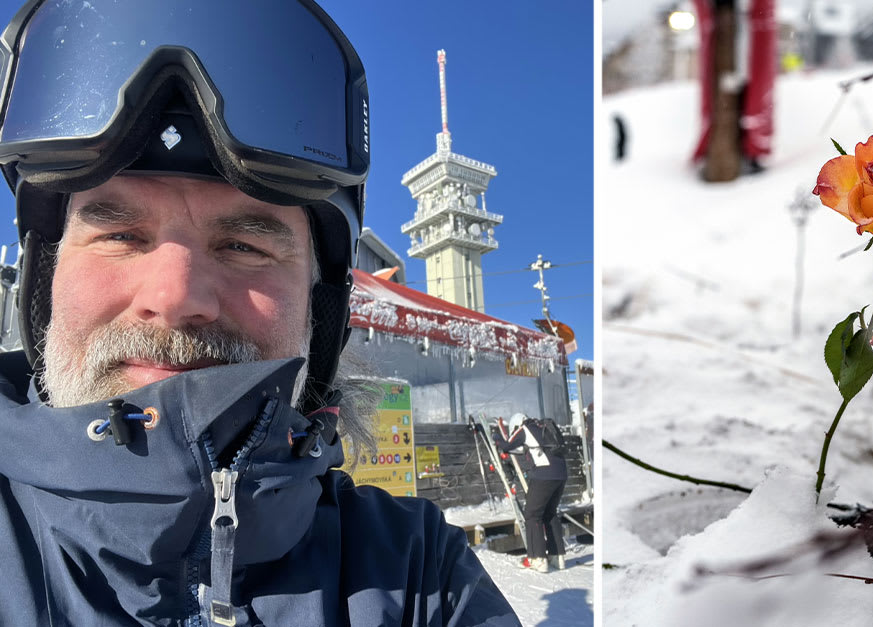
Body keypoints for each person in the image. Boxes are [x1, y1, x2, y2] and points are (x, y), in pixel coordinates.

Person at [0, 0, 518, 625]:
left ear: (320, 310)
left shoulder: (415, 573)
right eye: (120, 236)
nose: (174, 297)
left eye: (244, 246)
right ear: (43, 278)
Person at [495, 413, 567, 573]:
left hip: (544, 475)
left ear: (516, 425)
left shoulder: (525, 429)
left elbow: (507, 446)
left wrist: (497, 437)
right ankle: (558, 557)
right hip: (561, 474)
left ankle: (537, 559)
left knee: (532, 515)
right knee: (550, 513)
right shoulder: (541, 428)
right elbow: (521, 449)